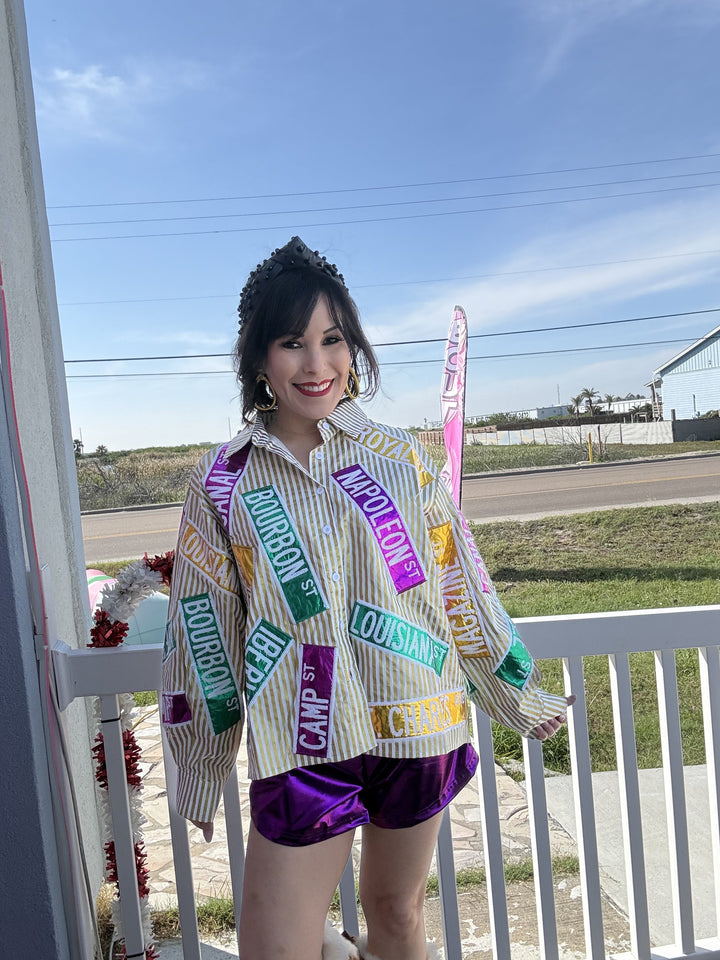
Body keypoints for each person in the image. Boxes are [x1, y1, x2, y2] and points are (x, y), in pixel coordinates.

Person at [161, 236, 574, 960]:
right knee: (275, 948)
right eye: (292, 342)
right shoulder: (221, 483)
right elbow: (206, 640)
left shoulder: (400, 456)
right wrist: (201, 768)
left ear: (353, 348)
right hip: (302, 738)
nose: (317, 364)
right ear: (260, 358)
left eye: (333, 339)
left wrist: (518, 696)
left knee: (397, 913)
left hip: (420, 721)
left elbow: (460, 584)